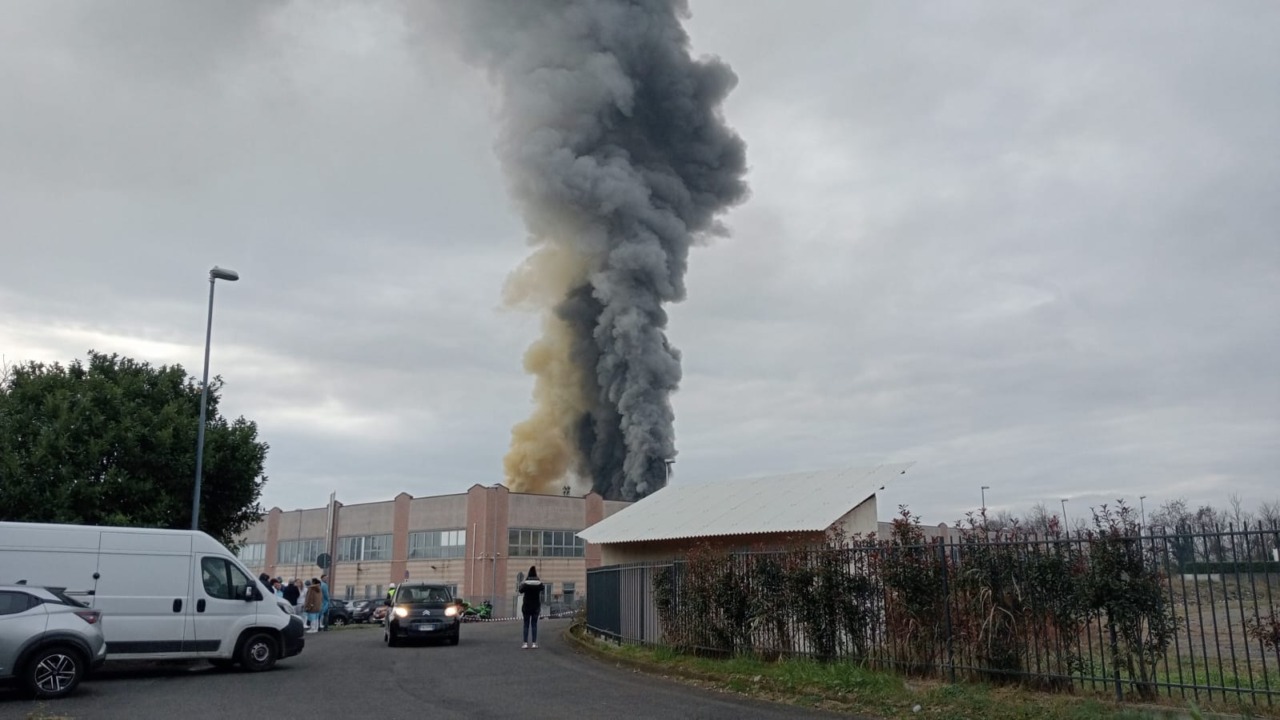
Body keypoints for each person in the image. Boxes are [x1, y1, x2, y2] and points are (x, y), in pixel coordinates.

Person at [518, 565, 543, 649]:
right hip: (536, 606)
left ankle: (525, 643)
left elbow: (520, 590)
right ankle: (534, 643)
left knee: (526, 624)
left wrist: (522, 583)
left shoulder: (526, 583)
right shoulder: (538, 583)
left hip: (526, 606)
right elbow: (542, 588)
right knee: (534, 624)